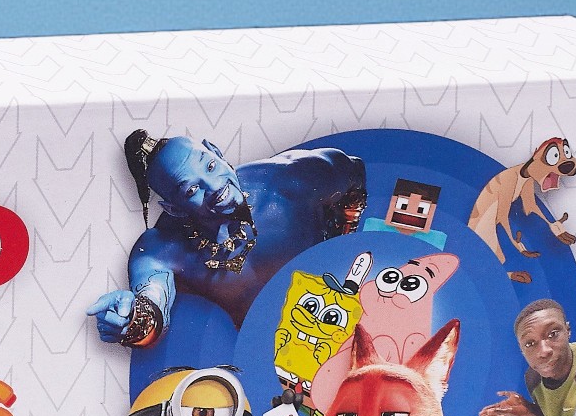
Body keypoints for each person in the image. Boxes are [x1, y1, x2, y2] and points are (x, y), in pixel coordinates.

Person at [86, 131, 366, 347]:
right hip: (273, 350)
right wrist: (131, 320)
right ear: (173, 209)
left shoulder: (288, 179)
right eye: (191, 190)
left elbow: (353, 172)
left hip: (354, 297)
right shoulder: (161, 250)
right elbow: (152, 307)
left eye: (210, 166)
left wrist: (346, 232)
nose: (215, 186)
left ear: (217, 152)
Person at [477, 299, 576, 416]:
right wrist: (528, 413)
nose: (544, 351)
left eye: (553, 334)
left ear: (567, 330)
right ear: (521, 350)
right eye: (530, 344)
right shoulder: (533, 378)